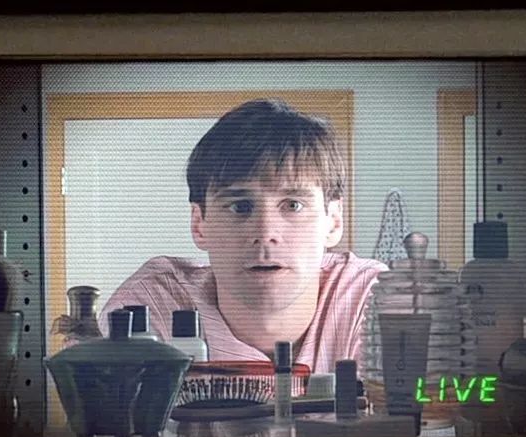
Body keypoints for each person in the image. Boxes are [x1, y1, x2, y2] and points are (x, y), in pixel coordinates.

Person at [95, 99, 388, 374]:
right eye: (240, 206)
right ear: (199, 224)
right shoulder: (149, 306)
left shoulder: (375, 296)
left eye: (293, 205)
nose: (265, 233)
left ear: (333, 222)